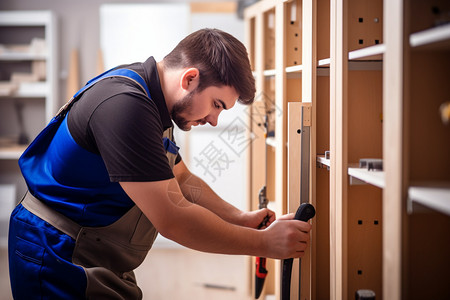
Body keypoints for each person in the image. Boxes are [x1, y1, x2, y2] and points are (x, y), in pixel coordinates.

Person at [8, 28, 312, 299]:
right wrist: (263, 244)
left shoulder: (151, 100)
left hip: (91, 248)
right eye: (217, 104)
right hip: (58, 253)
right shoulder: (125, 106)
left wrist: (240, 218)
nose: (214, 119)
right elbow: (174, 219)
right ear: (190, 78)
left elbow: (181, 181)